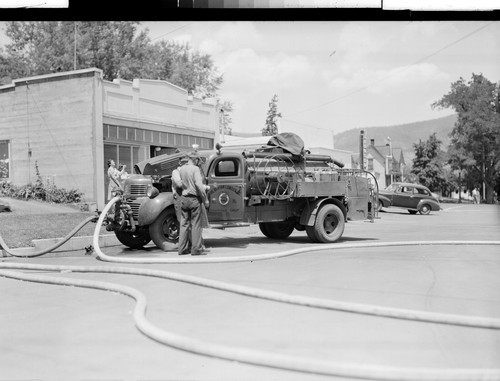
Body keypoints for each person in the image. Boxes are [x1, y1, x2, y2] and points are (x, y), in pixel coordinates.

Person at [178, 152, 209, 256]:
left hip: (184, 198)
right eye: (198, 160)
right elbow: (199, 185)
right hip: (194, 199)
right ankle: (196, 249)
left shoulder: (182, 168)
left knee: (184, 224)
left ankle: (182, 249)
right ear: (195, 159)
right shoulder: (195, 169)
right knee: (195, 224)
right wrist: (205, 199)